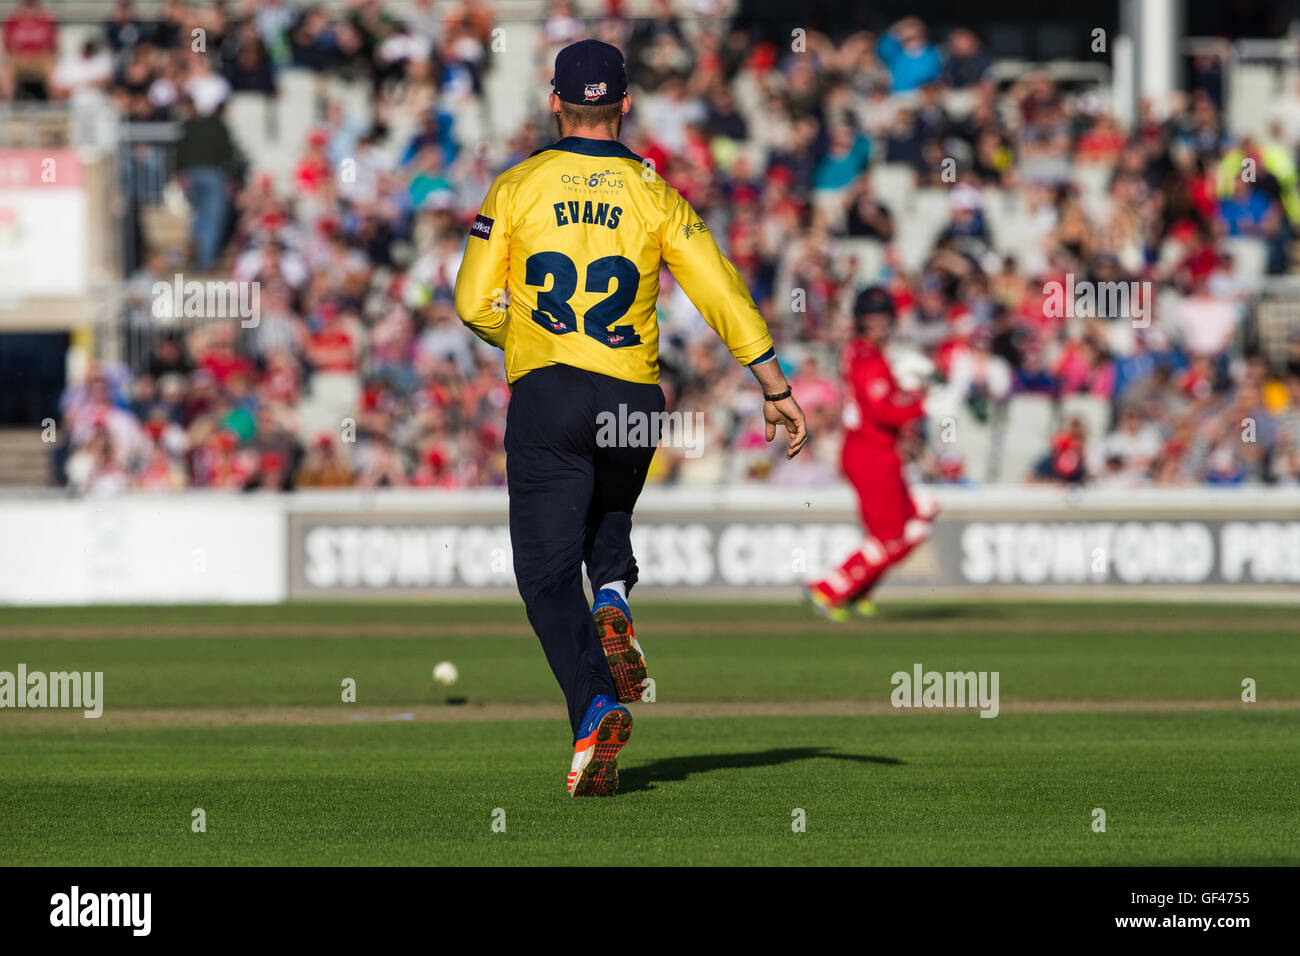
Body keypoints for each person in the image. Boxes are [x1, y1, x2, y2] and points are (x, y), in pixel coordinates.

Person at [454, 39, 808, 797]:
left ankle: (593, 709)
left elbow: (471, 302)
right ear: (624, 105)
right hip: (633, 398)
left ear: (555, 101)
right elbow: (717, 286)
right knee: (607, 512)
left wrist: (527, 342)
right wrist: (772, 382)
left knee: (547, 576)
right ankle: (613, 594)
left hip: (552, 391)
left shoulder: (516, 185)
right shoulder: (654, 190)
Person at [805, 287, 937, 621]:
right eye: (872, 319)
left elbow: (883, 400)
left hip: (872, 451)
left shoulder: (862, 353)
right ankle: (828, 589)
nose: (879, 325)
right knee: (890, 537)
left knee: (919, 519)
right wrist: (925, 404)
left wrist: (912, 391)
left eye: (883, 318)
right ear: (861, 321)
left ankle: (859, 589)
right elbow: (884, 412)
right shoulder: (869, 357)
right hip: (872, 454)